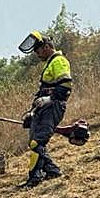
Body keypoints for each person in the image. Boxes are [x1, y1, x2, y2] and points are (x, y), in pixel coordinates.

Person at [18, 32, 73, 187]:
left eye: (38, 50)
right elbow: (44, 90)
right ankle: (52, 171)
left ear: (47, 47)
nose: (37, 54)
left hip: (53, 107)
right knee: (33, 141)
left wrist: (50, 99)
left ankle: (35, 178)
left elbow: (66, 86)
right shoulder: (49, 63)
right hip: (43, 108)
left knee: (37, 142)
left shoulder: (59, 61)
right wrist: (32, 112)